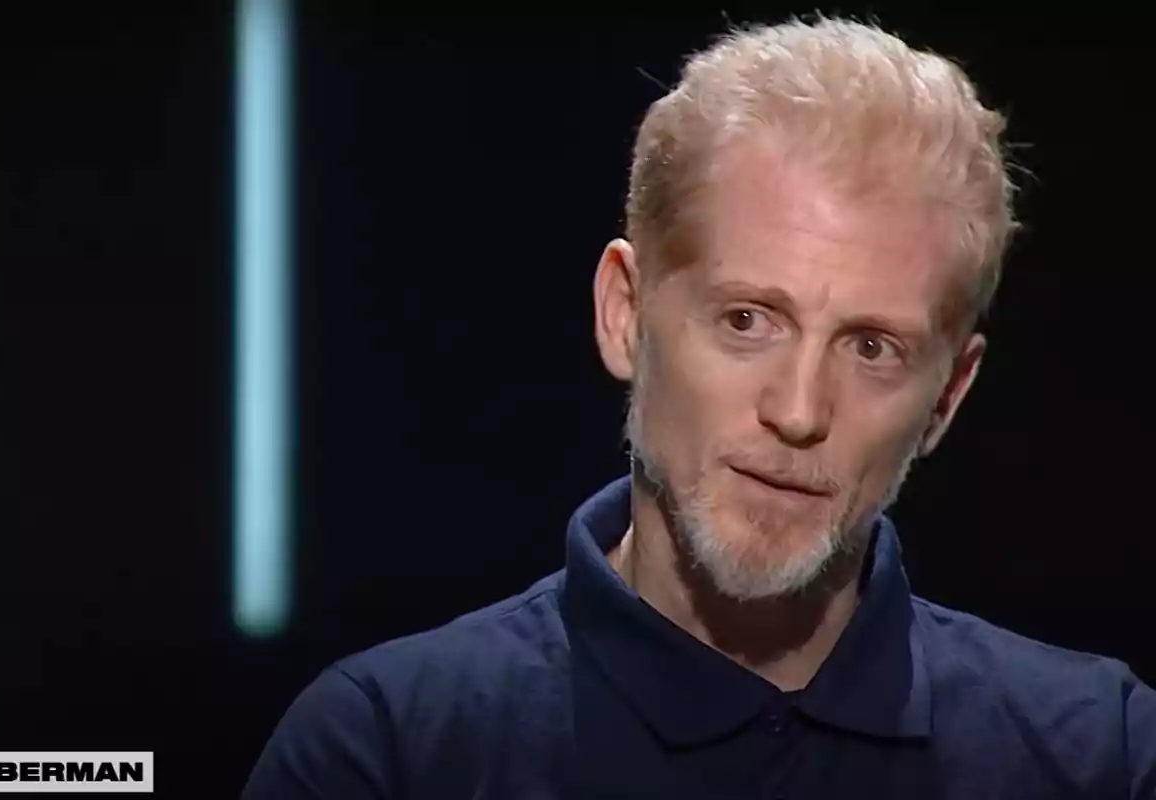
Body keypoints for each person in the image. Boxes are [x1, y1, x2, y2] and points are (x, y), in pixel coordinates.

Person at [243, 16, 1156, 799]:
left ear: (947, 397)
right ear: (624, 314)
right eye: (748, 320)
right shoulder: (388, 753)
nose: (798, 411)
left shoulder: (1102, 756)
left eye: (872, 348)